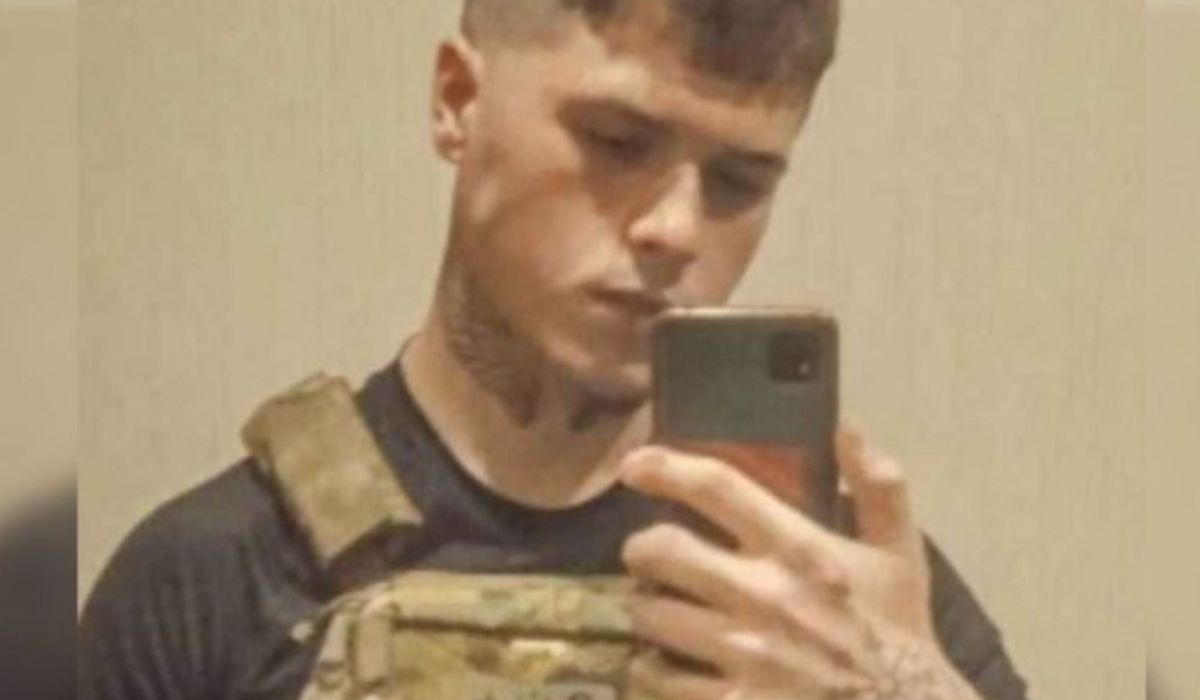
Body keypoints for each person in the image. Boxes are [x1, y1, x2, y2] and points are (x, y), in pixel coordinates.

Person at [79, 1, 1030, 699]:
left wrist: (899, 688)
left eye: (739, 183)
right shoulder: (212, 582)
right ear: (458, 100)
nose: (675, 229)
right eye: (616, 142)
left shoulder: (826, 599)